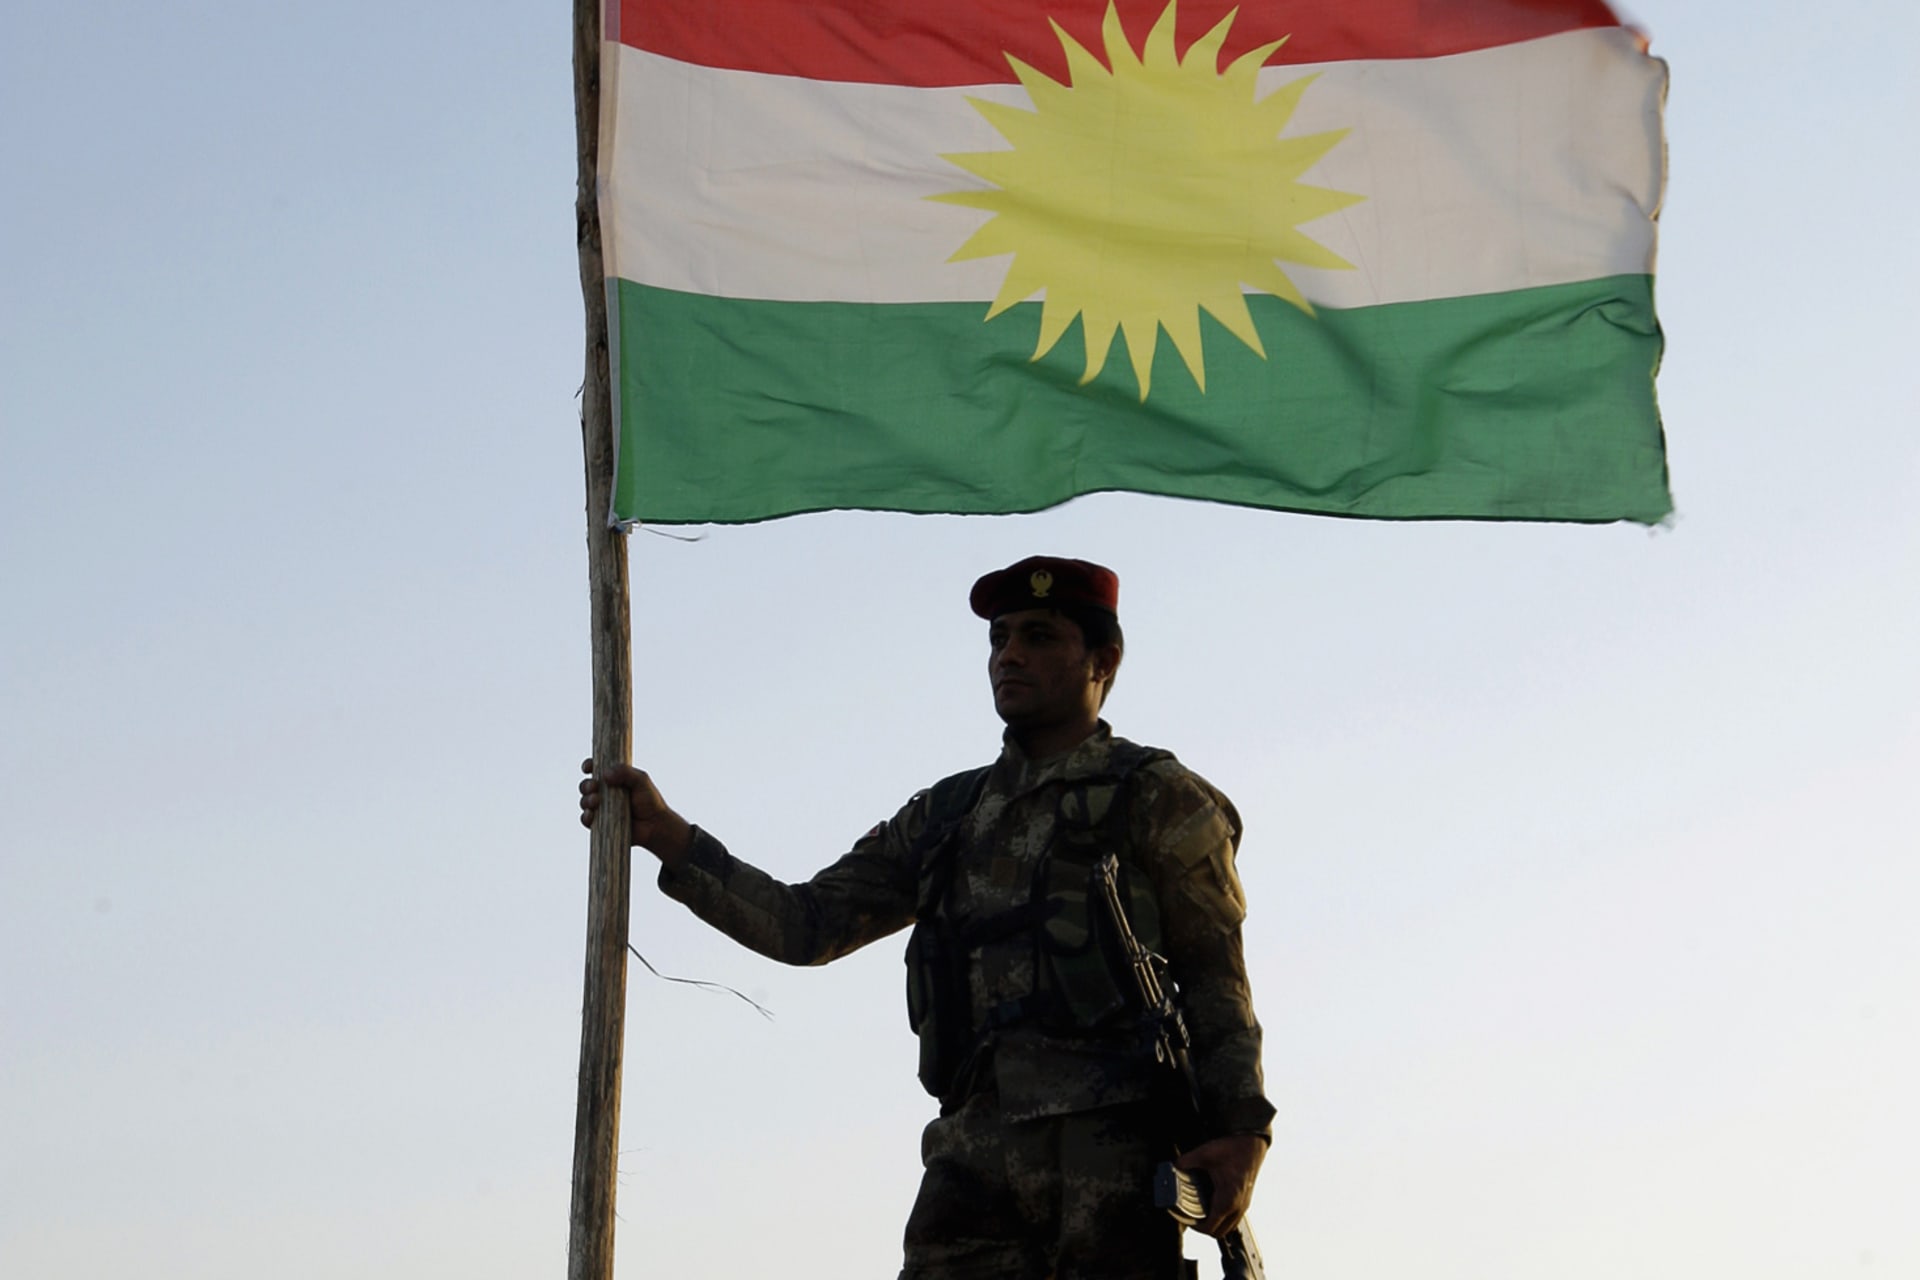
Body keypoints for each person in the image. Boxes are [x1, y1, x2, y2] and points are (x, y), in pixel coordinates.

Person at [580, 555, 1272, 1280]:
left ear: (1104, 660)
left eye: (1038, 636)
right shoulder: (949, 817)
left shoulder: (1160, 798)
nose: (1010, 655)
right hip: (971, 1169)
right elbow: (806, 923)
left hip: (1115, 1163)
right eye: (1000, 638)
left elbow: (1214, 976)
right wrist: (667, 834)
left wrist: (1241, 1133)